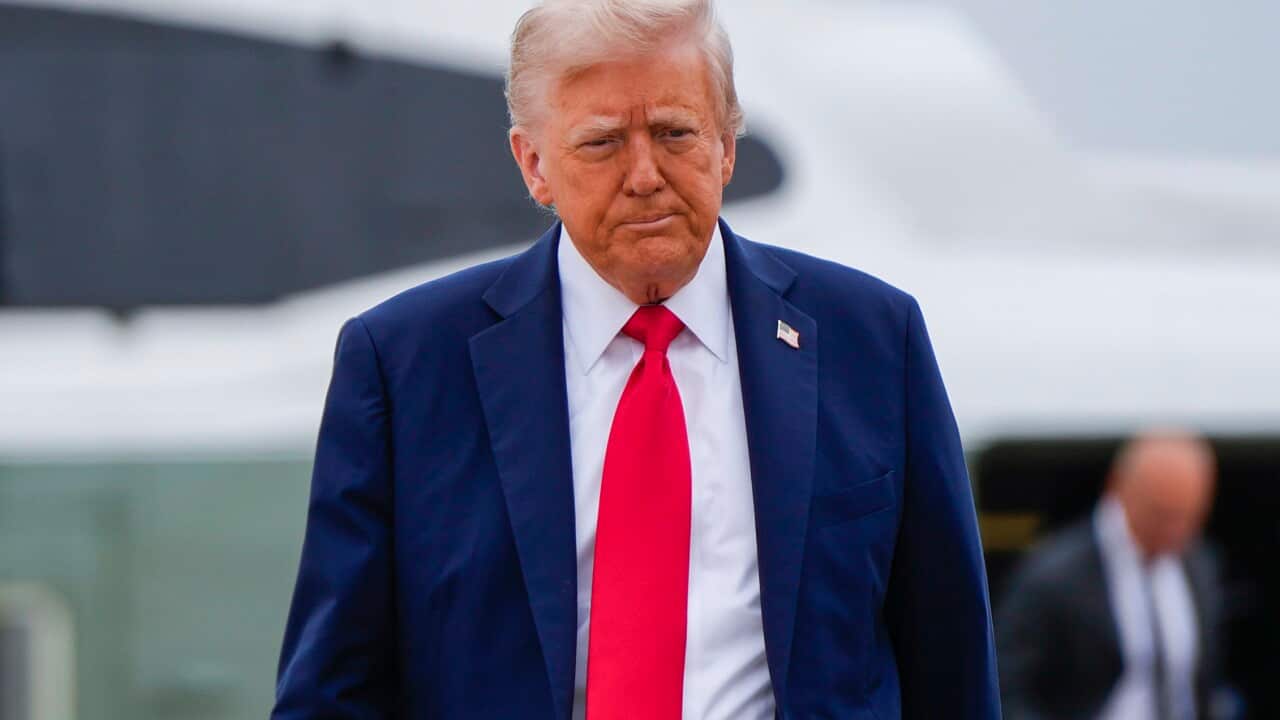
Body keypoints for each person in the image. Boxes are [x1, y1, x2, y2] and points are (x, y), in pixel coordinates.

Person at [272, 1, 999, 717]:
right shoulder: (404, 364)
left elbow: (952, 665)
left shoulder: (872, 339)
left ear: (727, 147)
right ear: (534, 165)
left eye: (675, 132)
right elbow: (334, 689)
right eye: (602, 143)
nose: (645, 173)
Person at [997, 431, 1223, 720]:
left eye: (1186, 517)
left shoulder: (1199, 565)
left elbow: (1201, 683)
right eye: (1160, 514)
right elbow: (1009, 686)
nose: (1173, 531)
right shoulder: (1053, 576)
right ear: (1119, 485)